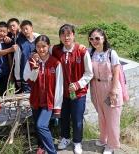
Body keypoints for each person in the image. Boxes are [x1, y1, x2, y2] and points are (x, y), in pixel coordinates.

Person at [51, 24, 93, 154]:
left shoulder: (82, 51)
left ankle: (77, 141)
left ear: (73, 35)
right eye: (63, 35)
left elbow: (89, 73)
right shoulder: (56, 50)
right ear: (60, 37)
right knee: (64, 117)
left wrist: (78, 84)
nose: (66, 37)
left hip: (78, 93)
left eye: (68, 34)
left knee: (77, 118)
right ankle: (65, 138)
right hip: (63, 93)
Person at [24, 35, 63, 154]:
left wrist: (57, 107)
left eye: (44, 46)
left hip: (49, 101)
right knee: (37, 126)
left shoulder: (55, 63)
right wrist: (35, 69)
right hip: (36, 100)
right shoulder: (31, 61)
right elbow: (27, 79)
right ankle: (42, 146)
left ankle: (51, 151)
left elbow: (59, 86)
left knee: (41, 125)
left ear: (49, 46)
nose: (41, 49)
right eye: (38, 47)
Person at [88, 28, 123, 154]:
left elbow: (116, 72)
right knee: (101, 115)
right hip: (96, 88)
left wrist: (113, 90)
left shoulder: (111, 53)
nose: (94, 41)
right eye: (91, 38)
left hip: (109, 87)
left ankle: (112, 144)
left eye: (97, 38)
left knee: (112, 117)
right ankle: (103, 139)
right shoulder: (91, 53)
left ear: (103, 38)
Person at [14, 20, 39, 93]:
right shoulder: (20, 43)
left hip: (38, 73)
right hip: (25, 75)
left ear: (31, 28)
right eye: (23, 30)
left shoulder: (39, 40)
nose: (25, 31)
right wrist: (18, 77)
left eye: (26, 28)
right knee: (27, 98)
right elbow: (17, 60)